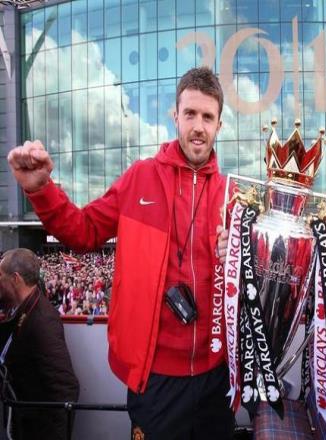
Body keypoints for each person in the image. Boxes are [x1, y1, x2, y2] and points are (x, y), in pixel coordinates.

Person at [7, 67, 234, 439]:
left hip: (216, 376)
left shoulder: (231, 194)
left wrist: (240, 254)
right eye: (190, 114)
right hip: (155, 379)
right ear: (175, 116)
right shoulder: (140, 177)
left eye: (207, 117)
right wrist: (41, 189)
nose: (198, 126)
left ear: (219, 125)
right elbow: (83, 231)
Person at [0, 248, 79, 439]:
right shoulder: (20, 307)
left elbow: (65, 387)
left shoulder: (43, 320)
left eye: (0, 276)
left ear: (16, 279)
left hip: (36, 428)